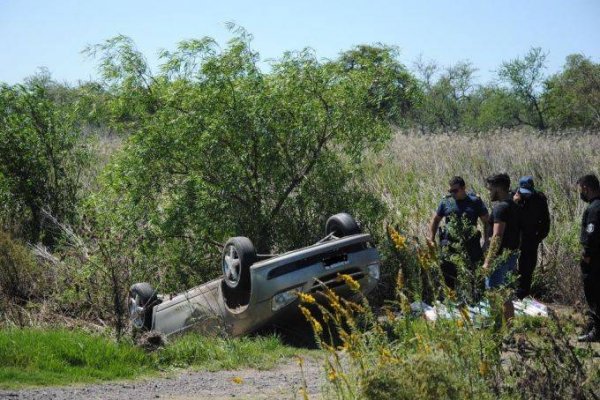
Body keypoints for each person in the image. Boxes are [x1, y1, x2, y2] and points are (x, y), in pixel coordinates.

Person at [428, 176, 489, 291]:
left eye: (455, 191)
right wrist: (431, 239)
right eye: (450, 191)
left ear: (463, 188)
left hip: (471, 245)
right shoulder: (446, 201)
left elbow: (487, 221)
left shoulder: (475, 201)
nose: (452, 194)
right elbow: (435, 220)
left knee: (475, 277)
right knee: (448, 278)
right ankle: (451, 302)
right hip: (450, 246)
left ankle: (476, 301)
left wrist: (486, 241)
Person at [483, 174, 521, 321]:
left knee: (493, 295)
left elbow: (497, 236)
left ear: (498, 188)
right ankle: (510, 332)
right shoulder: (515, 207)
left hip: (499, 259)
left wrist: (488, 261)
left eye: (490, 189)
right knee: (506, 296)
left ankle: (497, 331)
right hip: (511, 256)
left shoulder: (500, 208)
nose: (489, 192)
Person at [512, 176, 551, 299]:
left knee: (527, 269)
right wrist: (515, 202)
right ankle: (509, 292)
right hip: (513, 237)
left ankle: (522, 294)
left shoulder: (539, 199)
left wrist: (538, 238)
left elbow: (545, 222)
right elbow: (505, 216)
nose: (526, 195)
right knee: (509, 266)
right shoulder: (513, 197)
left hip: (530, 239)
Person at [576, 174, 600, 342]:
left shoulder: (594, 208)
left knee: (595, 295)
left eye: (581, 189)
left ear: (586, 187)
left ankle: (596, 331)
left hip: (595, 261)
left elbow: (591, 236)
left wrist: (587, 256)